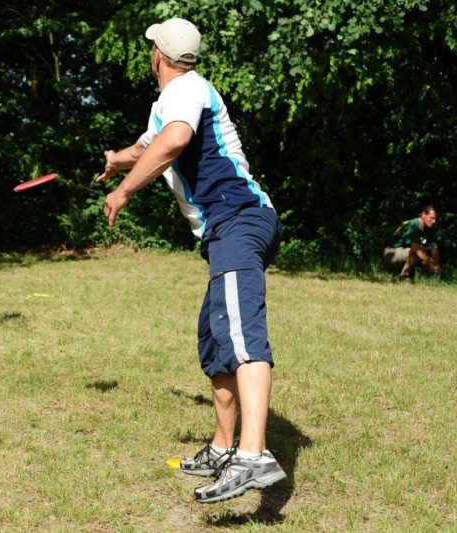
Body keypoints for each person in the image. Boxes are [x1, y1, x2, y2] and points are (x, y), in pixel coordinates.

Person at [97, 18, 286, 503]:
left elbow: (174, 141)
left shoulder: (186, 90)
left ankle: (254, 456)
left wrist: (124, 190)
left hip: (239, 218)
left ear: (158, 55)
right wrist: (116, 159)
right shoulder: (171, 100)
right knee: (216, 336)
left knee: (242, 332)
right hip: (225, 229)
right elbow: (148, 144)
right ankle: (225, 448)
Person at [383, 205, 440, 280]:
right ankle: (403, 276)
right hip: (391, 252)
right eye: (431, 218)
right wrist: (430, 263)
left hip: (405, 251)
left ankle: (429, 276)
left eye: (435, 219)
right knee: (417, 252)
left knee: (423, 252)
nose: (434, 221)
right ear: (423, 215)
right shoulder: (412, 225)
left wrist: (436, 264)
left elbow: (434, 249)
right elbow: (415, 249)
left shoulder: (430, 229)